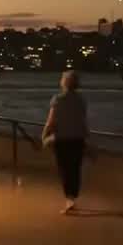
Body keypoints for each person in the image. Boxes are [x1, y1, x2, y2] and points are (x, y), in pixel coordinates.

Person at [42, 70, 88, 214]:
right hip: (78, 138)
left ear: (65, 82)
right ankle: (72, 197)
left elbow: (51, 121)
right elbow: (82, 120)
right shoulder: (81, 100)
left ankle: (69, 200)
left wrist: (44, 135)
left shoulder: (58, 99)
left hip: (62, 139)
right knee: (75, 169)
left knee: (64, 169)